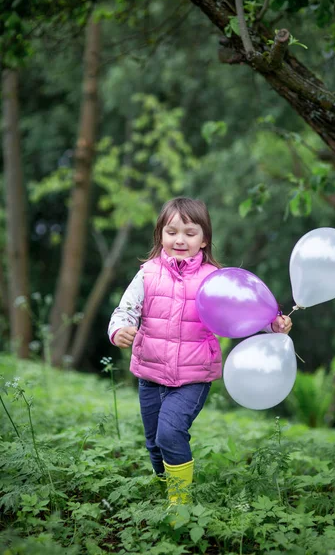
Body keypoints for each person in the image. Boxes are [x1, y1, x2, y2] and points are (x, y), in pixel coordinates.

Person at [108, 196, 292, 505]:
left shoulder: (215, 279)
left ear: (204, 239)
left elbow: (244, 312)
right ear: (160, 235)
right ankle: (163, 491)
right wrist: (119, 329)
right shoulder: (148, 273)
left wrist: (272, 325)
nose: (180, 239)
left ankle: (180, 504)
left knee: (169, 433)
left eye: (190, 233)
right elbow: (125, 310)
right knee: (154, 443)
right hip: (150, 374)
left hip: (193, 377)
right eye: (172, 232)